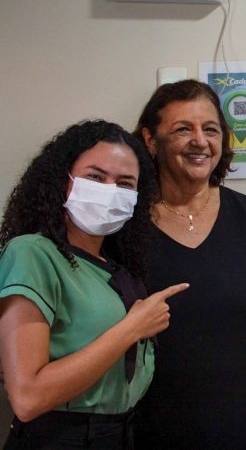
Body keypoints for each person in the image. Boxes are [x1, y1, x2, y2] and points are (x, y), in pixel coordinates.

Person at [132, 80, 246, 449]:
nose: (200, 141)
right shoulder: (126, 222)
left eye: (211, 129)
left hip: (244, 430)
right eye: (183, 129)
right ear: (151, 140)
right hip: (150, 433)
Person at [0, 120, 189, 448]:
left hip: (120, 433)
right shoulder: (32, 253)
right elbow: (28, 398)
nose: (110, 190)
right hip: (61, 439)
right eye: (95, 177)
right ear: (64, 180)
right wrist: (132, 328)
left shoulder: (115, 268)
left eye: (125, 183)